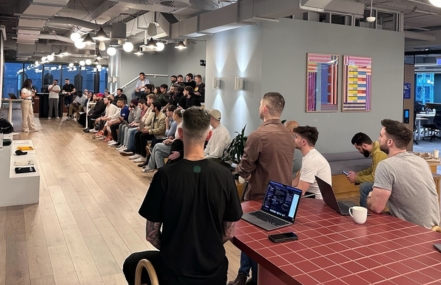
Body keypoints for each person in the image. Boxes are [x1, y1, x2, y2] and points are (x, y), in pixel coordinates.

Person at [123, 107, 243, 285]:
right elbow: (228, 232)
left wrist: (175, 249)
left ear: (180, 132)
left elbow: (152, 234)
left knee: (131, 263)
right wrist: (204, 250)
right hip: (213, 272)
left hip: (174, 271)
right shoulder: (225, 176)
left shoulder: (164, 176)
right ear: (208, 136)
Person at [230, 92, 294, 285]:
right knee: (271, 245)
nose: (258, 107)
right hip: (284, 197)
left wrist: (243, 172)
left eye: (259, 104)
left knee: (253, 241)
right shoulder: (289, 136)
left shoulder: (258, 135)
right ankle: (248, 276)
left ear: (265, 108)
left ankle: (249, 277)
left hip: (260, 195)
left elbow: (245, 168)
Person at [367, 119, 440, 229]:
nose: (378, 139)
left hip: (414, 233)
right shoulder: (421, 161)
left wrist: (370, 197)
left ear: (390, 142)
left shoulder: (386, 166)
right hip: (435, 230)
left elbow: (377, 207)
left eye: (381, 136)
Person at [347, 132, 388, 207]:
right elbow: (372, 169)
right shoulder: (375, 151)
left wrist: (356, 179)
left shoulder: (378, 154)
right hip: (383, 180)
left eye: (359, 149)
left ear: (364, 146)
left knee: (364, 187)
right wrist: (357, 174)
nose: (359, 152)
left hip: (387, 182)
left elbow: (374, 177)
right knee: (365, 185)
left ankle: (364, 211)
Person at [291, 126, 332, 199]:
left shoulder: (312, 160)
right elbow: (298, 179)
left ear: (303, 142)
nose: (293, 139)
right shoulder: (309, 156)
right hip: (310, 196)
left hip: (317, 202)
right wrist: (283, 186)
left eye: (296, 137)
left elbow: (301, 190)